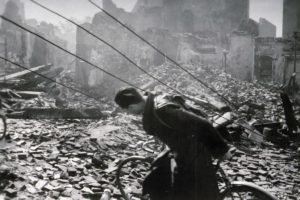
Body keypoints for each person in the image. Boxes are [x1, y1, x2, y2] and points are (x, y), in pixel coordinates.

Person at [114, 87, 233, 200]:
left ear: (132, 106)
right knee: (157, 175)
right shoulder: (153, 101)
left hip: (194, 154)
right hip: (182, 149)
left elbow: (202, 124)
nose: (129, 114)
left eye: (128, 111)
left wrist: (222, 150)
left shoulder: (162, 110)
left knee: (196, 193)